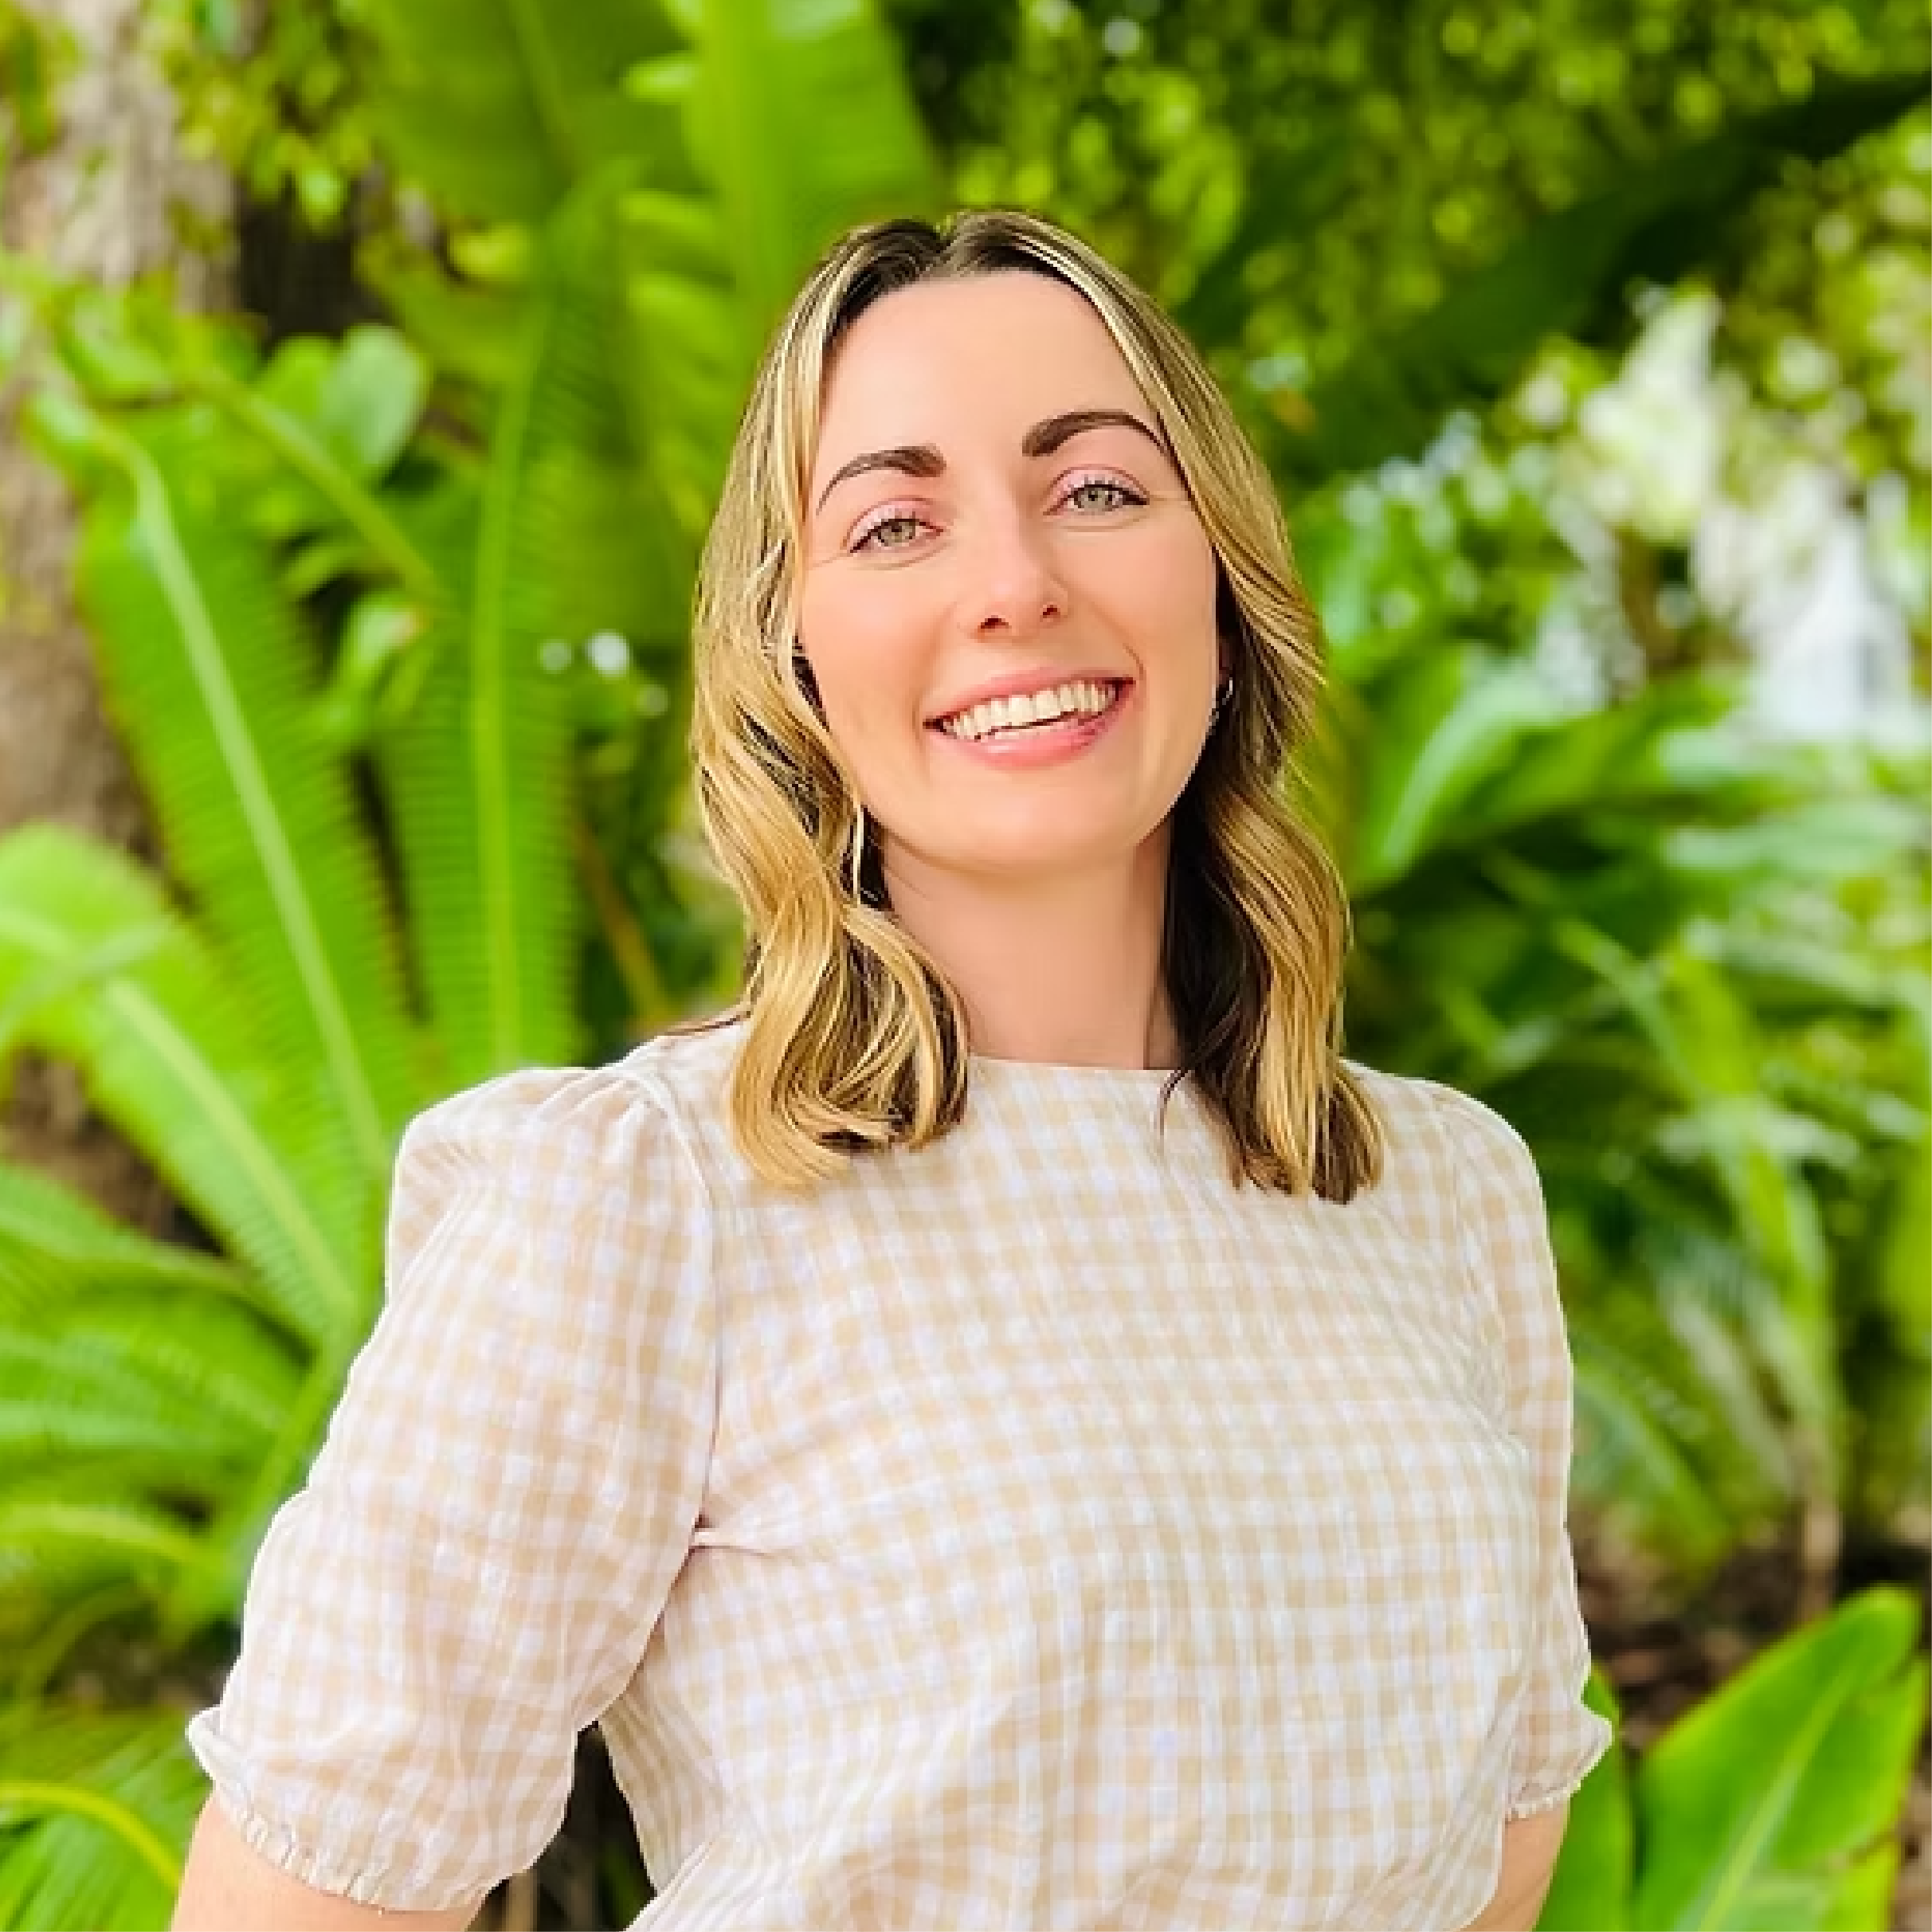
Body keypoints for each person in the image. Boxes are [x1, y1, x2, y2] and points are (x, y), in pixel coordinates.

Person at [170, 206, 1612, 1932]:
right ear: (798, 661)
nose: (1015, 584)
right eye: (896, 522)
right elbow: (309, 1893)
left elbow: (1501, 1854)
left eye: (1097, 489)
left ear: (1221, 579)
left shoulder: (1443, 1196)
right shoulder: (641, 1206)